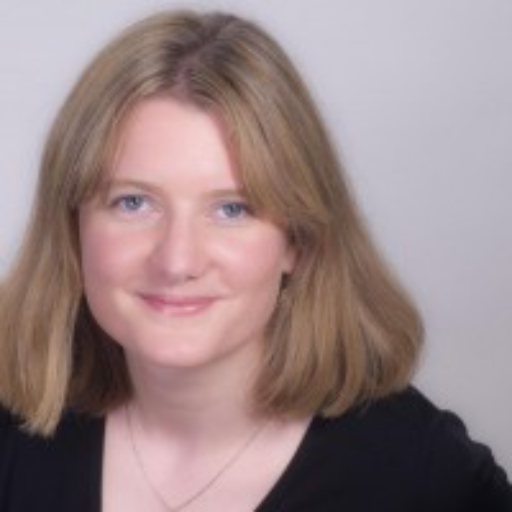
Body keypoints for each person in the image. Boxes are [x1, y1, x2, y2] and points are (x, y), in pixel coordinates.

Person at [0, 9, 510, 512]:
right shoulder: (13, 436)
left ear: (298, 241)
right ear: (71, 227)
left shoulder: (420, 474)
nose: (177, 260)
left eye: (232, 209)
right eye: (133, 202)